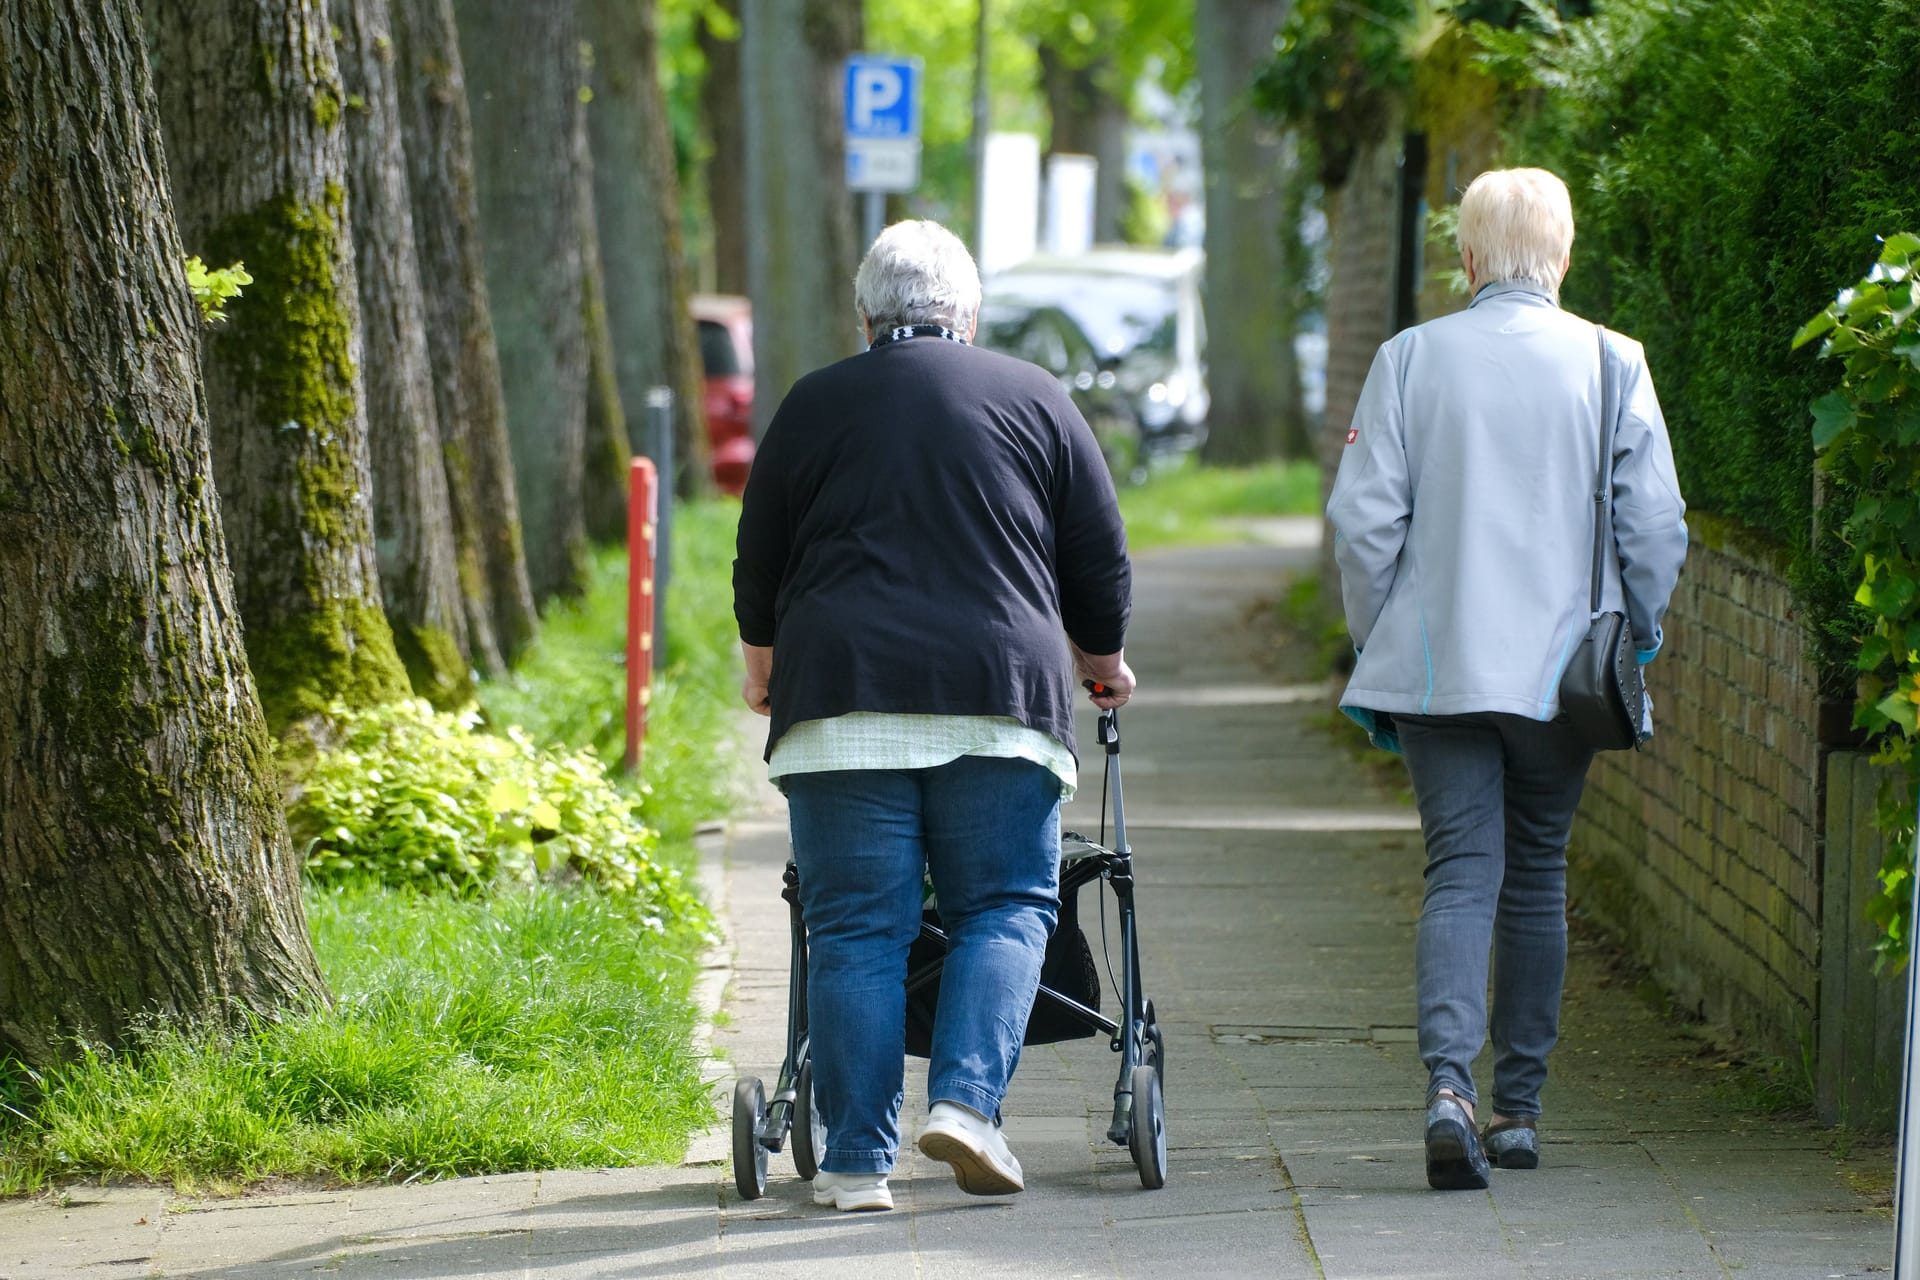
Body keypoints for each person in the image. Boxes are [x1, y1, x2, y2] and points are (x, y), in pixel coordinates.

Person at [732, 219, 1135, 1213]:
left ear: (865, 317)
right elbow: (1097, 557)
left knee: (857, 926)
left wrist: (761, 664)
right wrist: (1102, 658)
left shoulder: (814, 401)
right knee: (1003, 902)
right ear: (969, 314)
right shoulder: (1036, 397)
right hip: (999, 693)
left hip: (841, 696)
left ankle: (859, 1163)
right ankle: (964, 1104)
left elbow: (760, 554)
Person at [1326, 168, 1687, 1191]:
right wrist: (1637, 635)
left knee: (1460, 870)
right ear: (1563, 258)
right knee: (1536, 874)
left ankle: (1449, 1086)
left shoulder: (1410, 359)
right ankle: (1519, 1107)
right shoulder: (1616, 364)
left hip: (1440, 670)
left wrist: (1381, 635)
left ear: (1470, 259)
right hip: (1561, 677)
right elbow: (1655, 526)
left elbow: (1363, 524)